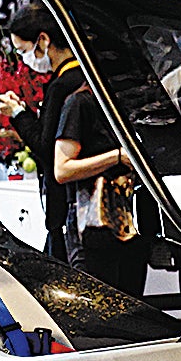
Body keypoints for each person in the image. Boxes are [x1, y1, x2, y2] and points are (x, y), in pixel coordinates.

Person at [0, 2, 86, 261]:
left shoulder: (62, 85)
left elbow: (46, 147)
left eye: (23, 51)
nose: (24, 60)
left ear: (43, 40)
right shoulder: (85, 74)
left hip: (67, 208)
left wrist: (18, 116)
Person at [53, 79, 150, 296]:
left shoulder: (131, 103)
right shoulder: (81, 103)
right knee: (97, 302)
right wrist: (116, 157)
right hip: (92, 221)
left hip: (130, 220)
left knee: (131, 303)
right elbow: (62, 169)